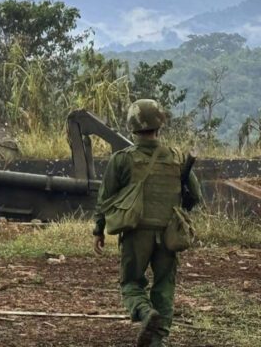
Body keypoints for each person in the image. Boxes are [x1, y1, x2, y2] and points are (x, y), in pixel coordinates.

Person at [93, 99, 202, 347]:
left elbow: (106, 198)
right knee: (164, 286)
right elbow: (195, 197)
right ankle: (157, 339)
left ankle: (144, 311)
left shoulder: (122, 159)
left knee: (131, 282)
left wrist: (98, 229)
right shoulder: (176, 158)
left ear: (132, 126)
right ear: (159, 125)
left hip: (136, 232)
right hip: (169, 234)